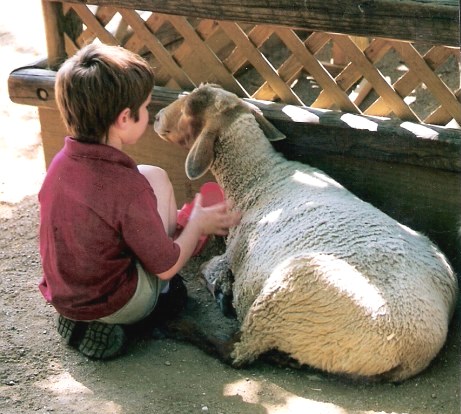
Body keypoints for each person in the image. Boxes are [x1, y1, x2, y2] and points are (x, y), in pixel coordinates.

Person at [38, 43, 241, 360]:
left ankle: (82, 320)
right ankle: (124, 319)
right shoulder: (126, 188)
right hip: (116, 300)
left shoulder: (61, 165)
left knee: (154, 175)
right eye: (145, 108)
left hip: (67, 292)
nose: (148, 115)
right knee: (172, 288)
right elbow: (166, 266)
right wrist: (198, 223)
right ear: (123, 119)